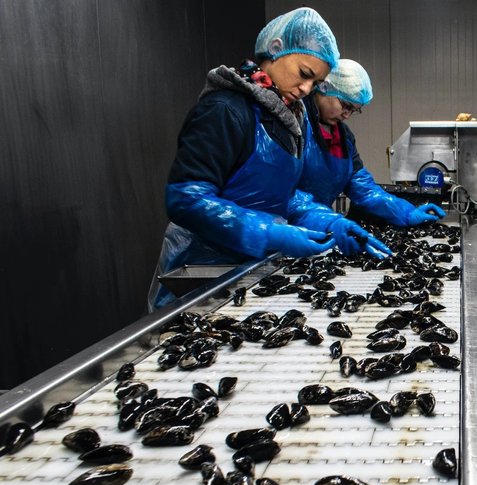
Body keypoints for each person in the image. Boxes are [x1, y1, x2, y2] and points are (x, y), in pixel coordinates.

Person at [150, 8, 390, 309]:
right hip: (200, 275)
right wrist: (267, 231)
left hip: (248, 273)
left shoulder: (284, 121)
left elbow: (284, 196)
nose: (305, 89)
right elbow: (186, 199)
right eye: (304, 74)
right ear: (276, 49)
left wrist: (329, 223)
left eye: (315, 84)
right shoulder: (225, 109)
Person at [299, 59, 446, 226]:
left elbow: (365, 190)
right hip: (283, 234)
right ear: (324, 87)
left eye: (354, 110)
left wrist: (407, 212)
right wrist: (326, 221)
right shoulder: (296, 124)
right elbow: (282, 194)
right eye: (346, 105)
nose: (347, 115)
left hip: (317, 229)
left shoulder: (344, 137)